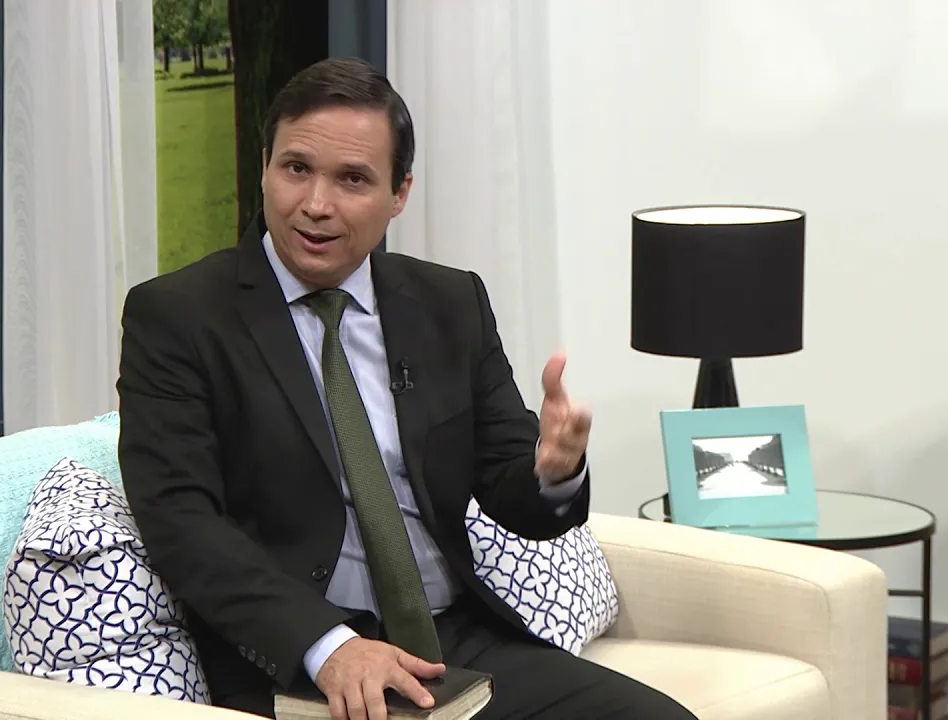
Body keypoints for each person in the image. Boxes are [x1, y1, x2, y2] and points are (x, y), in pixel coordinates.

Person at [117, 57, 695, 720]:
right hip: (301, 657)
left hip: (457, 641)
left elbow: (515, 495)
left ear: (399, 193)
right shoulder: (180, 316)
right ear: (265, 165)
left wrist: (554, 471)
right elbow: (181, 520)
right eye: (296, 168)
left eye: (353, 179)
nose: (316, 205)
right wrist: (329, 647)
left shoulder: (450, 302)